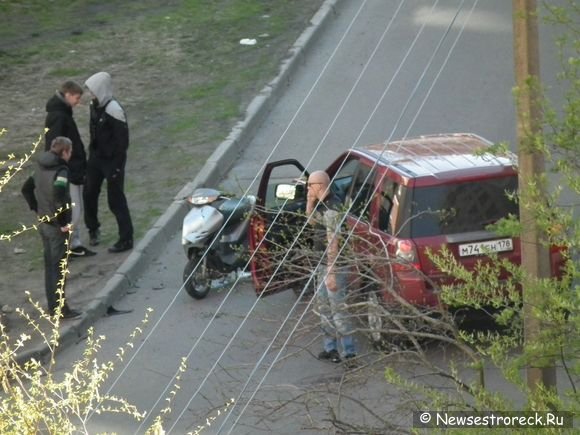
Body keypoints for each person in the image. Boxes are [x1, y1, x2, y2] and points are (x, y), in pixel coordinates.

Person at [22, 137, 82, 319]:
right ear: (64, 152)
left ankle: (53, 306)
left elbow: (26, 188)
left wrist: (36, 208)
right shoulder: (61, 171)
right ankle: (61, 310)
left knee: (50, 267)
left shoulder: (40, 166)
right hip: (57, 227)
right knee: (59, 268)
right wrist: (64, 223)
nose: (70, 155)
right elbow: (58, 196)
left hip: (43, 222)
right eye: (69, 151)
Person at [306, 170, 357, 364]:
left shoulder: (333, 208)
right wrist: (310, 203)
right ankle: (330, 348)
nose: (308, 189)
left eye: (310, 185)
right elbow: (311, 223)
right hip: (322, 266)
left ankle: (349, 352)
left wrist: (331, 271)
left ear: (319, 185)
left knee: (338, 310)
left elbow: (333, 241)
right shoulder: (321, 206)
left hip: (334, 266)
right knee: (323, 308)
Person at [45, 80, 96, 258]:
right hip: (69, 170)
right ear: (67, 94)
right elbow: (56, 145)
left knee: (74, 209)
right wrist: (66, 167)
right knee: (74, 210)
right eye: (76, 97)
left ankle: (73, 244)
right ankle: (68, 246)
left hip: (71, 168)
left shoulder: (60, 113)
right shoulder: (60, 117)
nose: (78, 102)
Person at [84, 71, 134, 253]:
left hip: (112, 161)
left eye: (93, 91)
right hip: (96, 158)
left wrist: (116, 167)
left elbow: (123, 142)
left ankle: (126, 238)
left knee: (116, 200)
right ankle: (93, 229)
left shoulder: (115, 110)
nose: (91, 95)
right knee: (89, 193)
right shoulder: (94, 106)